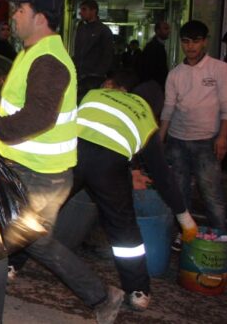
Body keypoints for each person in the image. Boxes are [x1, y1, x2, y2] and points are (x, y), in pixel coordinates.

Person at [0, 0, 123, 324]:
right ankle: (103, 297)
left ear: (40, 17)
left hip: (39, 174)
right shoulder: (34, 52)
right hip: (36, 170)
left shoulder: (49, 61)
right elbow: (15, 93)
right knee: (37, 242)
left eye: (20, 11)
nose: (14, 16)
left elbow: (38, 116)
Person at [72, 70, 197, 311]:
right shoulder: (146, 118)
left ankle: (11, 263)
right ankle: (138, 290)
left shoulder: (96, 94)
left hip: (71, 153)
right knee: (124, 231)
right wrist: (185, 217)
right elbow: (163, 176)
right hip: (107, 167)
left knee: (45, 208)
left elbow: (92, 132)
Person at [160, 20, 227, 236]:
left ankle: (220, 239)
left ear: (205, 42)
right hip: (177, 141)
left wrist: (223, 137)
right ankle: (185, 237)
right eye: (186, 41)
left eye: (196, 41)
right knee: (179, 195)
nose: (190, 47)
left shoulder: (221, 69)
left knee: (212, 195)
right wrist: (159, 139)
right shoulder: (175, 74)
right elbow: (168, 108)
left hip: (206, 142)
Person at [73, 0, 114, 101]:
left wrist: (98, 73)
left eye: (84, 9)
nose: (80, 12)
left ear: (93, 11)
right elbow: (78, 50)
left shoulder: (103, 30)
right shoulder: (81, 27)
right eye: (80, 9)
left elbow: (108, 55)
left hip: (94, 79)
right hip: (79, 76)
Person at [137, 21, 170, 89]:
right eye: (166, 29)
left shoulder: (156, 45)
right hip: (154, 85)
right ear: (158, 31)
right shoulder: (154, 47)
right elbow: (150, 68)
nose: (169, 31)